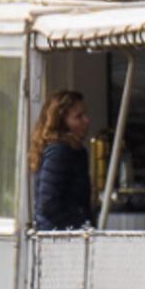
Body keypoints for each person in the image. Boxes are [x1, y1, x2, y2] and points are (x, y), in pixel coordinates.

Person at [32, 90, 98, 230]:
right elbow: (48, 203)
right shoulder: (59, 152)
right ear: (62, 123)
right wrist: (77, 226)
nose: (87, 120)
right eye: (78, 117)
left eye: (85, 115)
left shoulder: (75, 151)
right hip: (58, 237)